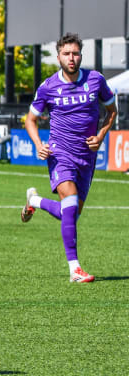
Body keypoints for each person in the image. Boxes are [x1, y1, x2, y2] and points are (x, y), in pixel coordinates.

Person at [21, 33, 117, 283]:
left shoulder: (96, 80)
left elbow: (111, 110)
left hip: (87, 156)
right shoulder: (48, 87)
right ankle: (74, 269)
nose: (71, 58)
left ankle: (36, 201)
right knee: (71, 201)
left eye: (75, 53)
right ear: (58, 57)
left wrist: (102, 134)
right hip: (59, 152)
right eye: (66, 54)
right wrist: (39, 144)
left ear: (80, 55)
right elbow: (30, 120)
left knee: (70, 214)